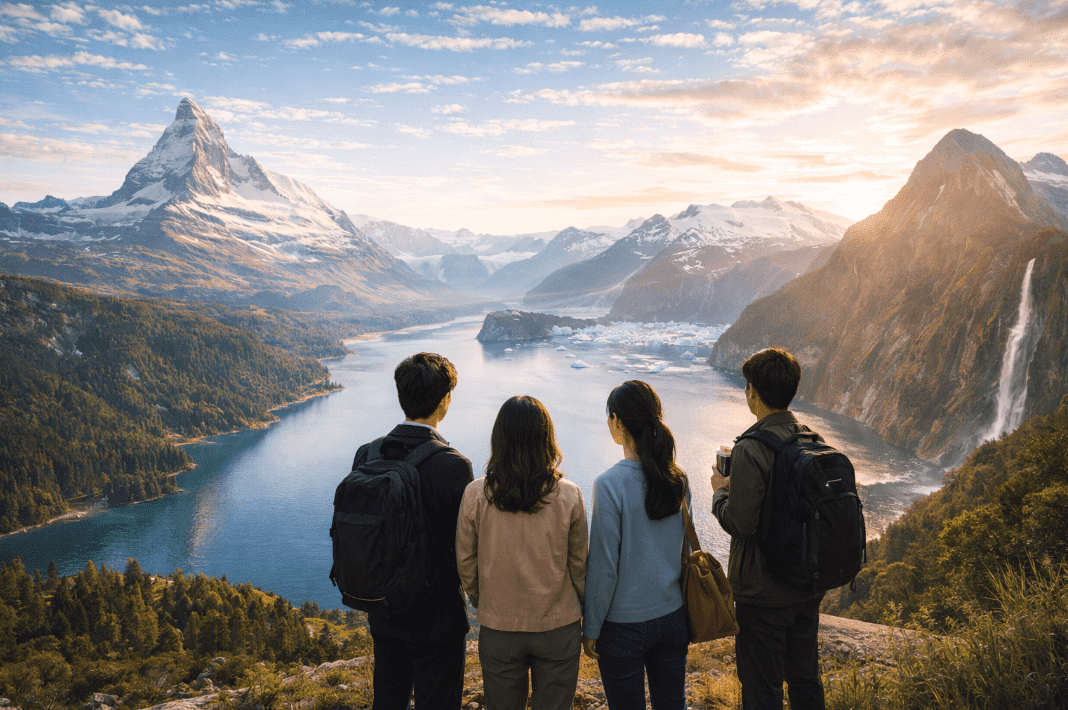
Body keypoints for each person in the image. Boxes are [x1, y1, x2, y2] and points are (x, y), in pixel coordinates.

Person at [353, 352, 474, 710]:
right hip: (438, 619)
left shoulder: (367, 454)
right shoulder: (453, 466)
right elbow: (464, 547)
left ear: (401, 395)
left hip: (383, 611)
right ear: (446, 400)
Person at [710, 347, 826, 710]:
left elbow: (740, 523)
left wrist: (720, 492)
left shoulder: (751, 448)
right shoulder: (813, 440)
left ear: (753, 392)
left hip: (762, 593)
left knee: (762, 688)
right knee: (805, 679)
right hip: (806, 584)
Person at [456, 396, 588, 710]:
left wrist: (483, 599)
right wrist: (584, 611)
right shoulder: (569, 495)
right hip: (559, 625)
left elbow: (465, 562)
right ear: (547, 439)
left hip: (499, 626)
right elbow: (580, 565)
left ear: (499, 439)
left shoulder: (476, 494)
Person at [582, 380, 690, 710]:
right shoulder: (678, 479)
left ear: (617, 421)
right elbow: (683, 552)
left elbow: (604, 568)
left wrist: (591, 627)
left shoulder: (609, 484)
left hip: (622, 627)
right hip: (673, 617)